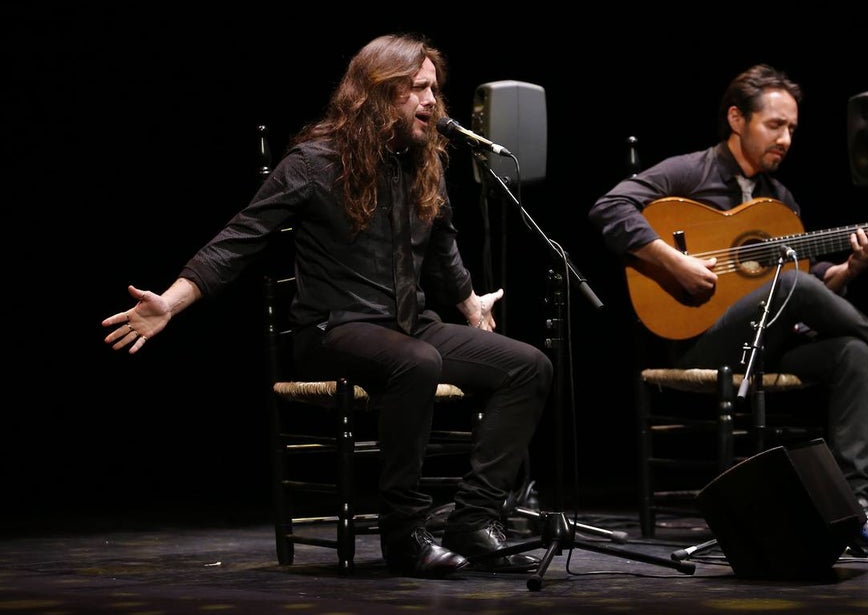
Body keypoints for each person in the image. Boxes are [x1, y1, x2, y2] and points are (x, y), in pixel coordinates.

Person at [101, 33, 553, 578]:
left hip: (409, 328)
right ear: (378, 93)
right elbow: (238, 240)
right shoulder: (315, 162)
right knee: (418, 362)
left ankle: (473, 520)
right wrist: (171, 303)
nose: (432, 101)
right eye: (416, 88)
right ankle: (404, 533)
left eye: (434, 89)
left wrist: (471, 306)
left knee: (527, 366)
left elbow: (442, 250)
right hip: (333, 331)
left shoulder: (422, 160)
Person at [588, 63, 868, 546]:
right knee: (794, 286)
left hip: (769, 343)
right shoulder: (691, 171)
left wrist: (851, 268)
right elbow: (609, 208)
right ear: (737, 119)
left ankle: (854, 508)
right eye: (775, 125)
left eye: (792, 129)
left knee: (852, 351)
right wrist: (675, 262)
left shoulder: (780, 200)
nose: (786, 139)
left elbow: (811, 286)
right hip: (700, 343)